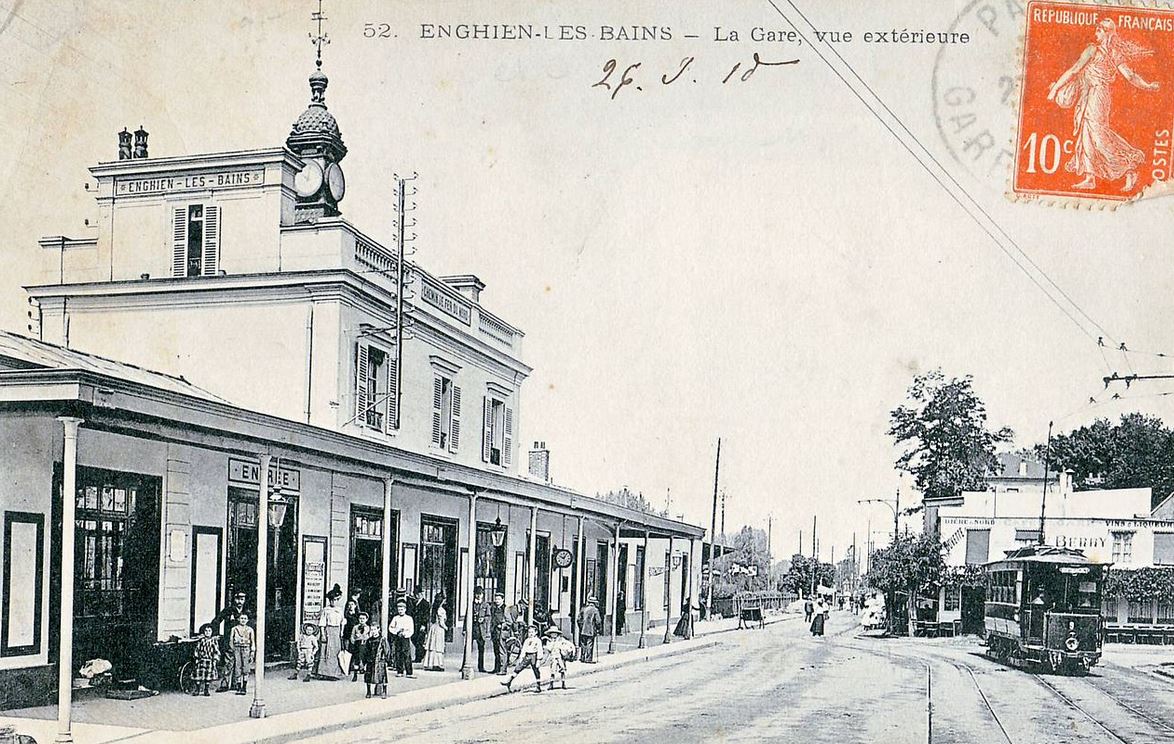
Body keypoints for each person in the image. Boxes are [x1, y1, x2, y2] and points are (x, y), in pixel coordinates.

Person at [1047, 18, 1160, 192]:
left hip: (1097, 95)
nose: (1096, 32)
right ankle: (1090, 177)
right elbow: (1129, 76)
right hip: (1094, 94)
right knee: (1087, 134)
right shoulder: (1107, 52)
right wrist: (1148, 86)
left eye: (1099, 30)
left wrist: (1055, 89)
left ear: (1106, 32)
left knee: (1099, 137)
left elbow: (1075, 70)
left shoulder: (1096, 51)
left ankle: (1129, 169)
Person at [210, 590, 249, 692]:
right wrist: (213, 633)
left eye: (242, 599)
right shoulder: (228, 611)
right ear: (234, 599)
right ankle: (225, 684)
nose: (239, 602)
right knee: (228, 663)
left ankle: (237, 684)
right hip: (230, 641)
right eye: (237, 599)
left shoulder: (247, 612)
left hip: (242, 643)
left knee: (239, 664)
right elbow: (217, 620)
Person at [316, 585, 346, 680]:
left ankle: (335, 673)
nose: (334, 602)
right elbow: (322, 623)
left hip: (337, 631)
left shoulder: (340, 610)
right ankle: (325, 673)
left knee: (336, 652)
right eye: (332, 600)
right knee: (326, 651)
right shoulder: (326, 610)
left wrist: (341, 632)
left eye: (336, 600)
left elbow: (342, 622)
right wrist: (323, 634)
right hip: (328, 630)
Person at [501, 625, 543, 693]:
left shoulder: (538, 641)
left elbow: (540, 650)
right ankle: (509, 681)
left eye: (532, 632)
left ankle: (538, 686)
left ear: (536, 632)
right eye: (529, 632)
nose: (531, 634)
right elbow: (524, 649)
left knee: (536, 670)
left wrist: (538, 660)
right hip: (527, 656)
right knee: (518, 668)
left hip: (534, 656)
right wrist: (521, 657)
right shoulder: (527, 640)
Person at [190, 623, 220, 697]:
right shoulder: (201, 640)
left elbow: (216, 651)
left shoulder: (213, 641)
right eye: (206, 631)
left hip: (209, 660)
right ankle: (197, 689)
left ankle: (206, 689)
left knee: (208, 675)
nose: (207, 632)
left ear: (212, 632)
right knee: (198, 674)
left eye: (209, 631)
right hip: (201, 660)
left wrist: (215, 659)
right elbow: (197, 649)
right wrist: (196, 657)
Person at [230, 612, 256, 694]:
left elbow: (253, 642)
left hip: (246, 648)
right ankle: (238, 687)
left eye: (245, 618)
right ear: (238, 619)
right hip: (237, 648)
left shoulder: (250, 630)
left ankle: (244, 687)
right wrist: (233, 649)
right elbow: (231, 641)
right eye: (241, 618)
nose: (243, 620)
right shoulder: (234, 629)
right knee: (238, 667)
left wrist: (252, 652)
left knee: (246, 667)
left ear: (247, 620)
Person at [543, 626, 576, 691]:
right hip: (553, 657)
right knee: (552, 671)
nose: (553, 635)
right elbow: (549, 649)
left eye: (555, 633)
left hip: (560, 657)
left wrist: (572, 651)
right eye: (552, 633)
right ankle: (551, 684)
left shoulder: (561, 640)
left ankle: (563, 683)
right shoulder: (549, 641)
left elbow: (569, 645)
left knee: (562, 670)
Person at [389, 599, 415, 678]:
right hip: (398, 637)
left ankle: (409, 672)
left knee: (406, 654)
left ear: (405, 609)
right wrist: (396, 632)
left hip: (405, 638)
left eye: (402, 609)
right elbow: (390, 627)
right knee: (398, 654)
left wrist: (405, 634)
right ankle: (399, 671)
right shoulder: (395, 618)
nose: (400, 611)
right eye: (399, 609)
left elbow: (411, 629)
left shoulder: (409, 618)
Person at [423, 592, 448, 671]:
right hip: (439, 629)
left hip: (433, 628)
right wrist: (446, 628)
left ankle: (430, 663)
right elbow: (441, 622)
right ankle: (436, 664)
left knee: (432, 646)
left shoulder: (433, 608)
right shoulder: (441, 610)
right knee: (438, 646)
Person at [364, 627, 391, 699]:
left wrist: (386, 660)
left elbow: (387, 650)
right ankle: (368, 691)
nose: (373, 631)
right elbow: (366, 651)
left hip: (379, 661)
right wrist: (365, 661)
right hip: (370, 660)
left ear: (378, 630)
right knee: (369, 675)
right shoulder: (369, 640)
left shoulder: (382, 639)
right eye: (371, 630)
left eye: (374, 629)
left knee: (382, 676)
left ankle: (384, 691)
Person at [348, 611, 374, 681]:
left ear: (366, 619)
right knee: (356, 659)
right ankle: (355, 675)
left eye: (363, 618)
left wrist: (366, 636)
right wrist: (354, 639)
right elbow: (352, 636)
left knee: (365, 658)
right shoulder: (356, 627)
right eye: (360, 618)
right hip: (357, 644)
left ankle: (364, 670)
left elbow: (370, 635)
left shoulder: (368, 628)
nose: (362, 620)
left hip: (365, 644)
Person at [577, 596, 602, 663]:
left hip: (583, 630)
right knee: (589, 644)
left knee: (583, 644)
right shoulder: (595, 610)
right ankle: (588, 659)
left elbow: (578, 619)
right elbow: (598, 621)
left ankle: (582, 657)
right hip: (591, 630)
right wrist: (598, 629)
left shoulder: (583, 609)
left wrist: (581, 626)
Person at [471, 587, 491, 673]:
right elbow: (466, 617)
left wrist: (483, 619)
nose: (478, 596)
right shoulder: (471, 604)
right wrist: (464, 629)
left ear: (483, 595)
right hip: (472, 628)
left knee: (481, 649)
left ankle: (481, 667)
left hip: (481, 629)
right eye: (477, 594)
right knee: (467, 648)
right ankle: (464, 665)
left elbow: (489, 616)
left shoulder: (485, 605)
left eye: (480, 594)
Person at [490, 592, 508, 674]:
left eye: (498, 599)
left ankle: (503, 669)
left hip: (502, 631)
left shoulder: (506, 609)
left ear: (503, 600)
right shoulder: (493, 608)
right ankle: (496, 668)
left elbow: (509, 621)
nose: (497, 601)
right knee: (496, 650)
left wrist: (502, 625)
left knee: (502, 650)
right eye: (496, 599)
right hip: (495, 631)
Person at [412, 592, 432, 664]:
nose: (417, 595)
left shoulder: (425, 603)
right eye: (416, 594)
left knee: (419, 641)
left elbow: (426, 615)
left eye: (418, 594)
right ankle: (423, 652)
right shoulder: (415, 602)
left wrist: (423, 625)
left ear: (421, 594)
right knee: (413, 638)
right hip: (415, 624)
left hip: (421, 625)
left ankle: (418, 658)